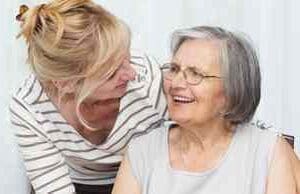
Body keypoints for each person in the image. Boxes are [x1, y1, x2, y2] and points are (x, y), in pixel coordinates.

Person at [112, 26, 300, 194]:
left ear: (232, 90)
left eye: (196, 74)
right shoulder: (142, 151)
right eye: (174, 69)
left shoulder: (269, 152)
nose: (176, 83)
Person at [10, 0, 167, 193]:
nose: (131, 73)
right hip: (72, 182)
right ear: (65, 84)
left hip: (138, 180)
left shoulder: (148, 84)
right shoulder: (30, 106)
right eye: (111, 73)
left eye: (126, 58)